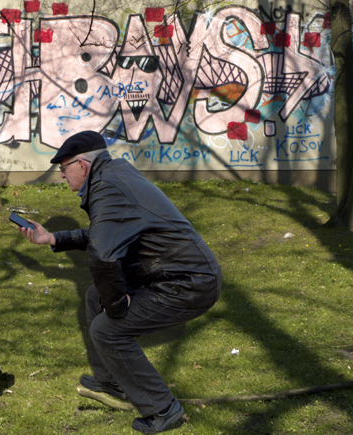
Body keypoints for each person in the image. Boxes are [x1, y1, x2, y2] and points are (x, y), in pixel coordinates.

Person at [16, 130, 222, 434]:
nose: (61, 176)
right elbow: (104, 234)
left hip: (189, 283)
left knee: (107, 328)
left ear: (82, 165)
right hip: (171, 275)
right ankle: (111, 382)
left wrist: (117, 305)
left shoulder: (108, 187)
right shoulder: (112, 176)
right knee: (93, 296)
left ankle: (164, 409)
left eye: (63, 169)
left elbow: (102, 255)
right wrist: (52, 238)